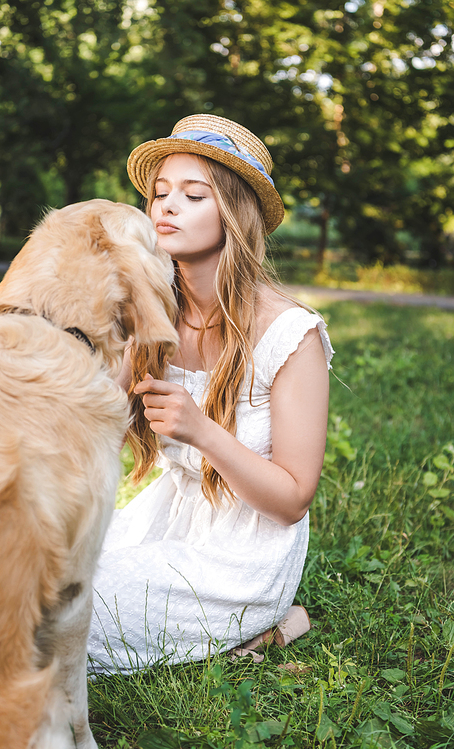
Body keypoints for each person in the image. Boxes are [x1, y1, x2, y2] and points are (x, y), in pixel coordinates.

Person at [87, 114, 334, 673]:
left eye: (193, 195)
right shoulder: (152, 311)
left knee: (57, 612)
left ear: (233, 213)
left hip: (243, 556)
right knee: (25, 571)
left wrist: (202, 431)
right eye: (160, 193)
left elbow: (293, 501)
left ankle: (262, 619)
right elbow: (93, 414)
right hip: (166, 521)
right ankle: (259, 635)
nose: (166, 206)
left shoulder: (290, 335)